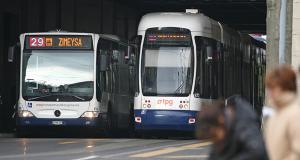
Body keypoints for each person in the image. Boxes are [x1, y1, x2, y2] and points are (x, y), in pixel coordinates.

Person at [197, 96, 268, 160]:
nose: (215, 141)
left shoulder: (244, 124)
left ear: (221, 120)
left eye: (214, 136)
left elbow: (257, 151)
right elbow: (214, 155)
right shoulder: (223, 128)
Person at [265, 65, 300, 160]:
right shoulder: (275, 115)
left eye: (273, 88)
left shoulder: (295, 114)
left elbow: (297, 153)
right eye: (269, 88)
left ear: (285, 87)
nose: (269, 92)